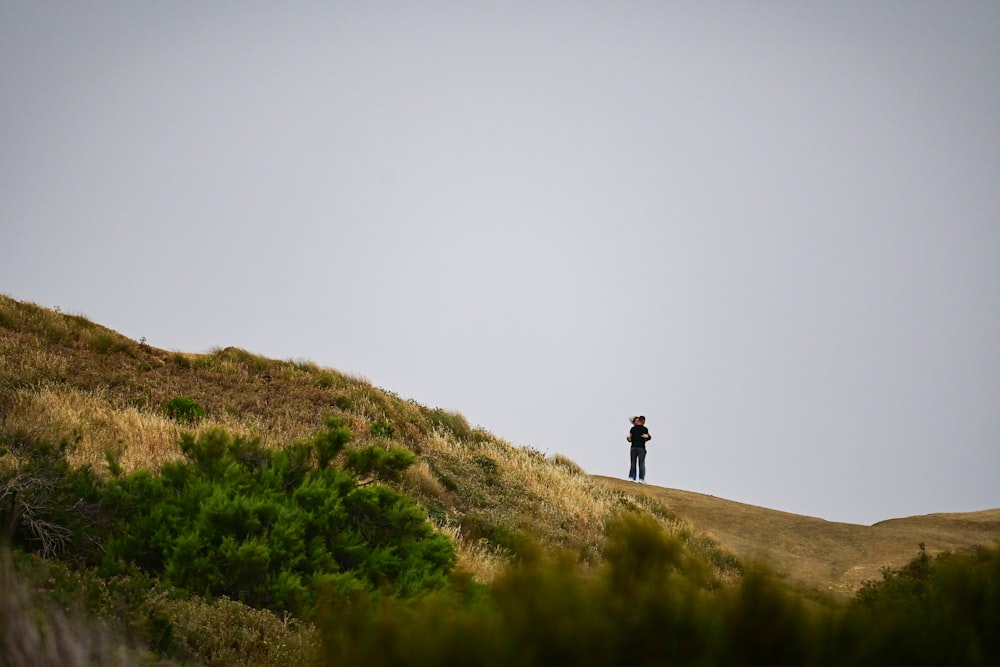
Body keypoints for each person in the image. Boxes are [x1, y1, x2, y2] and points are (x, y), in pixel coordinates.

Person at [627, 415, 651, 482]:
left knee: (633, 463)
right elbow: (648, 437)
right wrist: (647, 437)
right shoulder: (645, 429)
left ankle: (631, 477)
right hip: (641, 448)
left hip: (633, 447)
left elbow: (630, 438)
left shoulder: (632, 429)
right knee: (641, 463)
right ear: (643, 421)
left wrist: (629, 438)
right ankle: (641, 479)